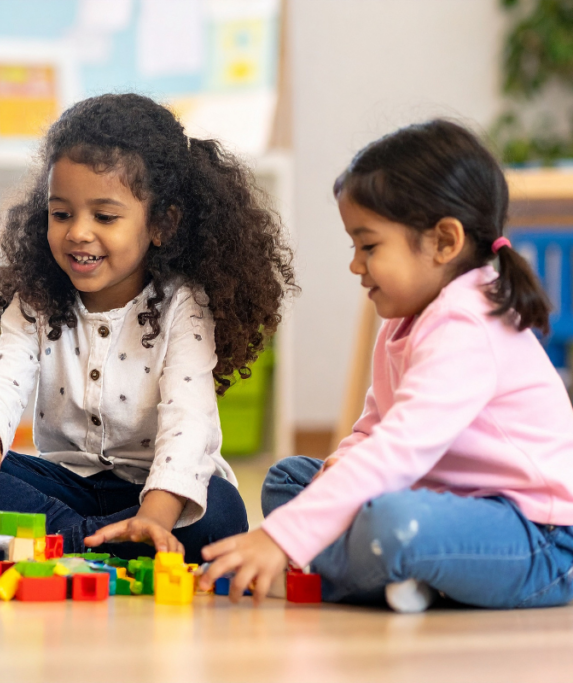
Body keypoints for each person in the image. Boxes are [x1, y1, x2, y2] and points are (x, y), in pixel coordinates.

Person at [200, 119, 573, 612]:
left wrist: (281, 538)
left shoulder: (469, 324)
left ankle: (323, 575)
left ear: (444, 241)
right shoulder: (405, 321)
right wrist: (342, 463)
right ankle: (405, 579)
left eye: (369, 246)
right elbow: (375, 426)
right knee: (290, 479)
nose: (355, 264)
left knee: (393, 523)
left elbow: (399, 449)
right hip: (447, 507)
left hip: (539, 539)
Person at [0, 93, 294, 564]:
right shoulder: (37, 299)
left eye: (105, 217)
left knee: (221, 513)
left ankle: (51, 546)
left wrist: (155, 514)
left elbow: (188, 421)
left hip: (156, 489)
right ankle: (94, 544)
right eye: (61, 213)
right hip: (64, 486)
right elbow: (3, 377)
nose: (78, 232)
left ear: (162, 223)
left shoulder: (183, 306)